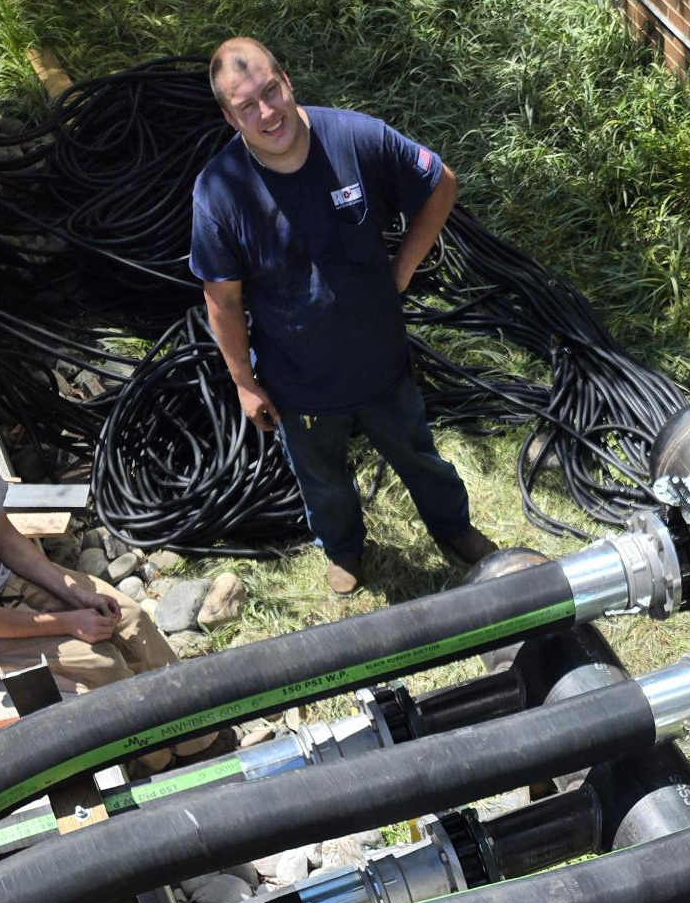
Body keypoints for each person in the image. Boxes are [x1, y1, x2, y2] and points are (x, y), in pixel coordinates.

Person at [191, 37, 496, 595]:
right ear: (228, 117)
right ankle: (344, 550)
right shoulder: (219, 192)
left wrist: (403, 268)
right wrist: (243, 382)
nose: (266, 113)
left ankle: (454, 529)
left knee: (419, 457)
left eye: (270, 92)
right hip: (298, 382)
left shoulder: (355, 139)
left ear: (286, 78)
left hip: (381, 363)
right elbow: (223, 298)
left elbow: (441, 183)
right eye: (246, 106)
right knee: (324, 483)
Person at [0, 334, 212, 768]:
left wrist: (74, 592)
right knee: (101, 664)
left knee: (129, 618)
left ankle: (201, 740)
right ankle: (161, 766)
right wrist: (66, 622)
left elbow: (1, 535)